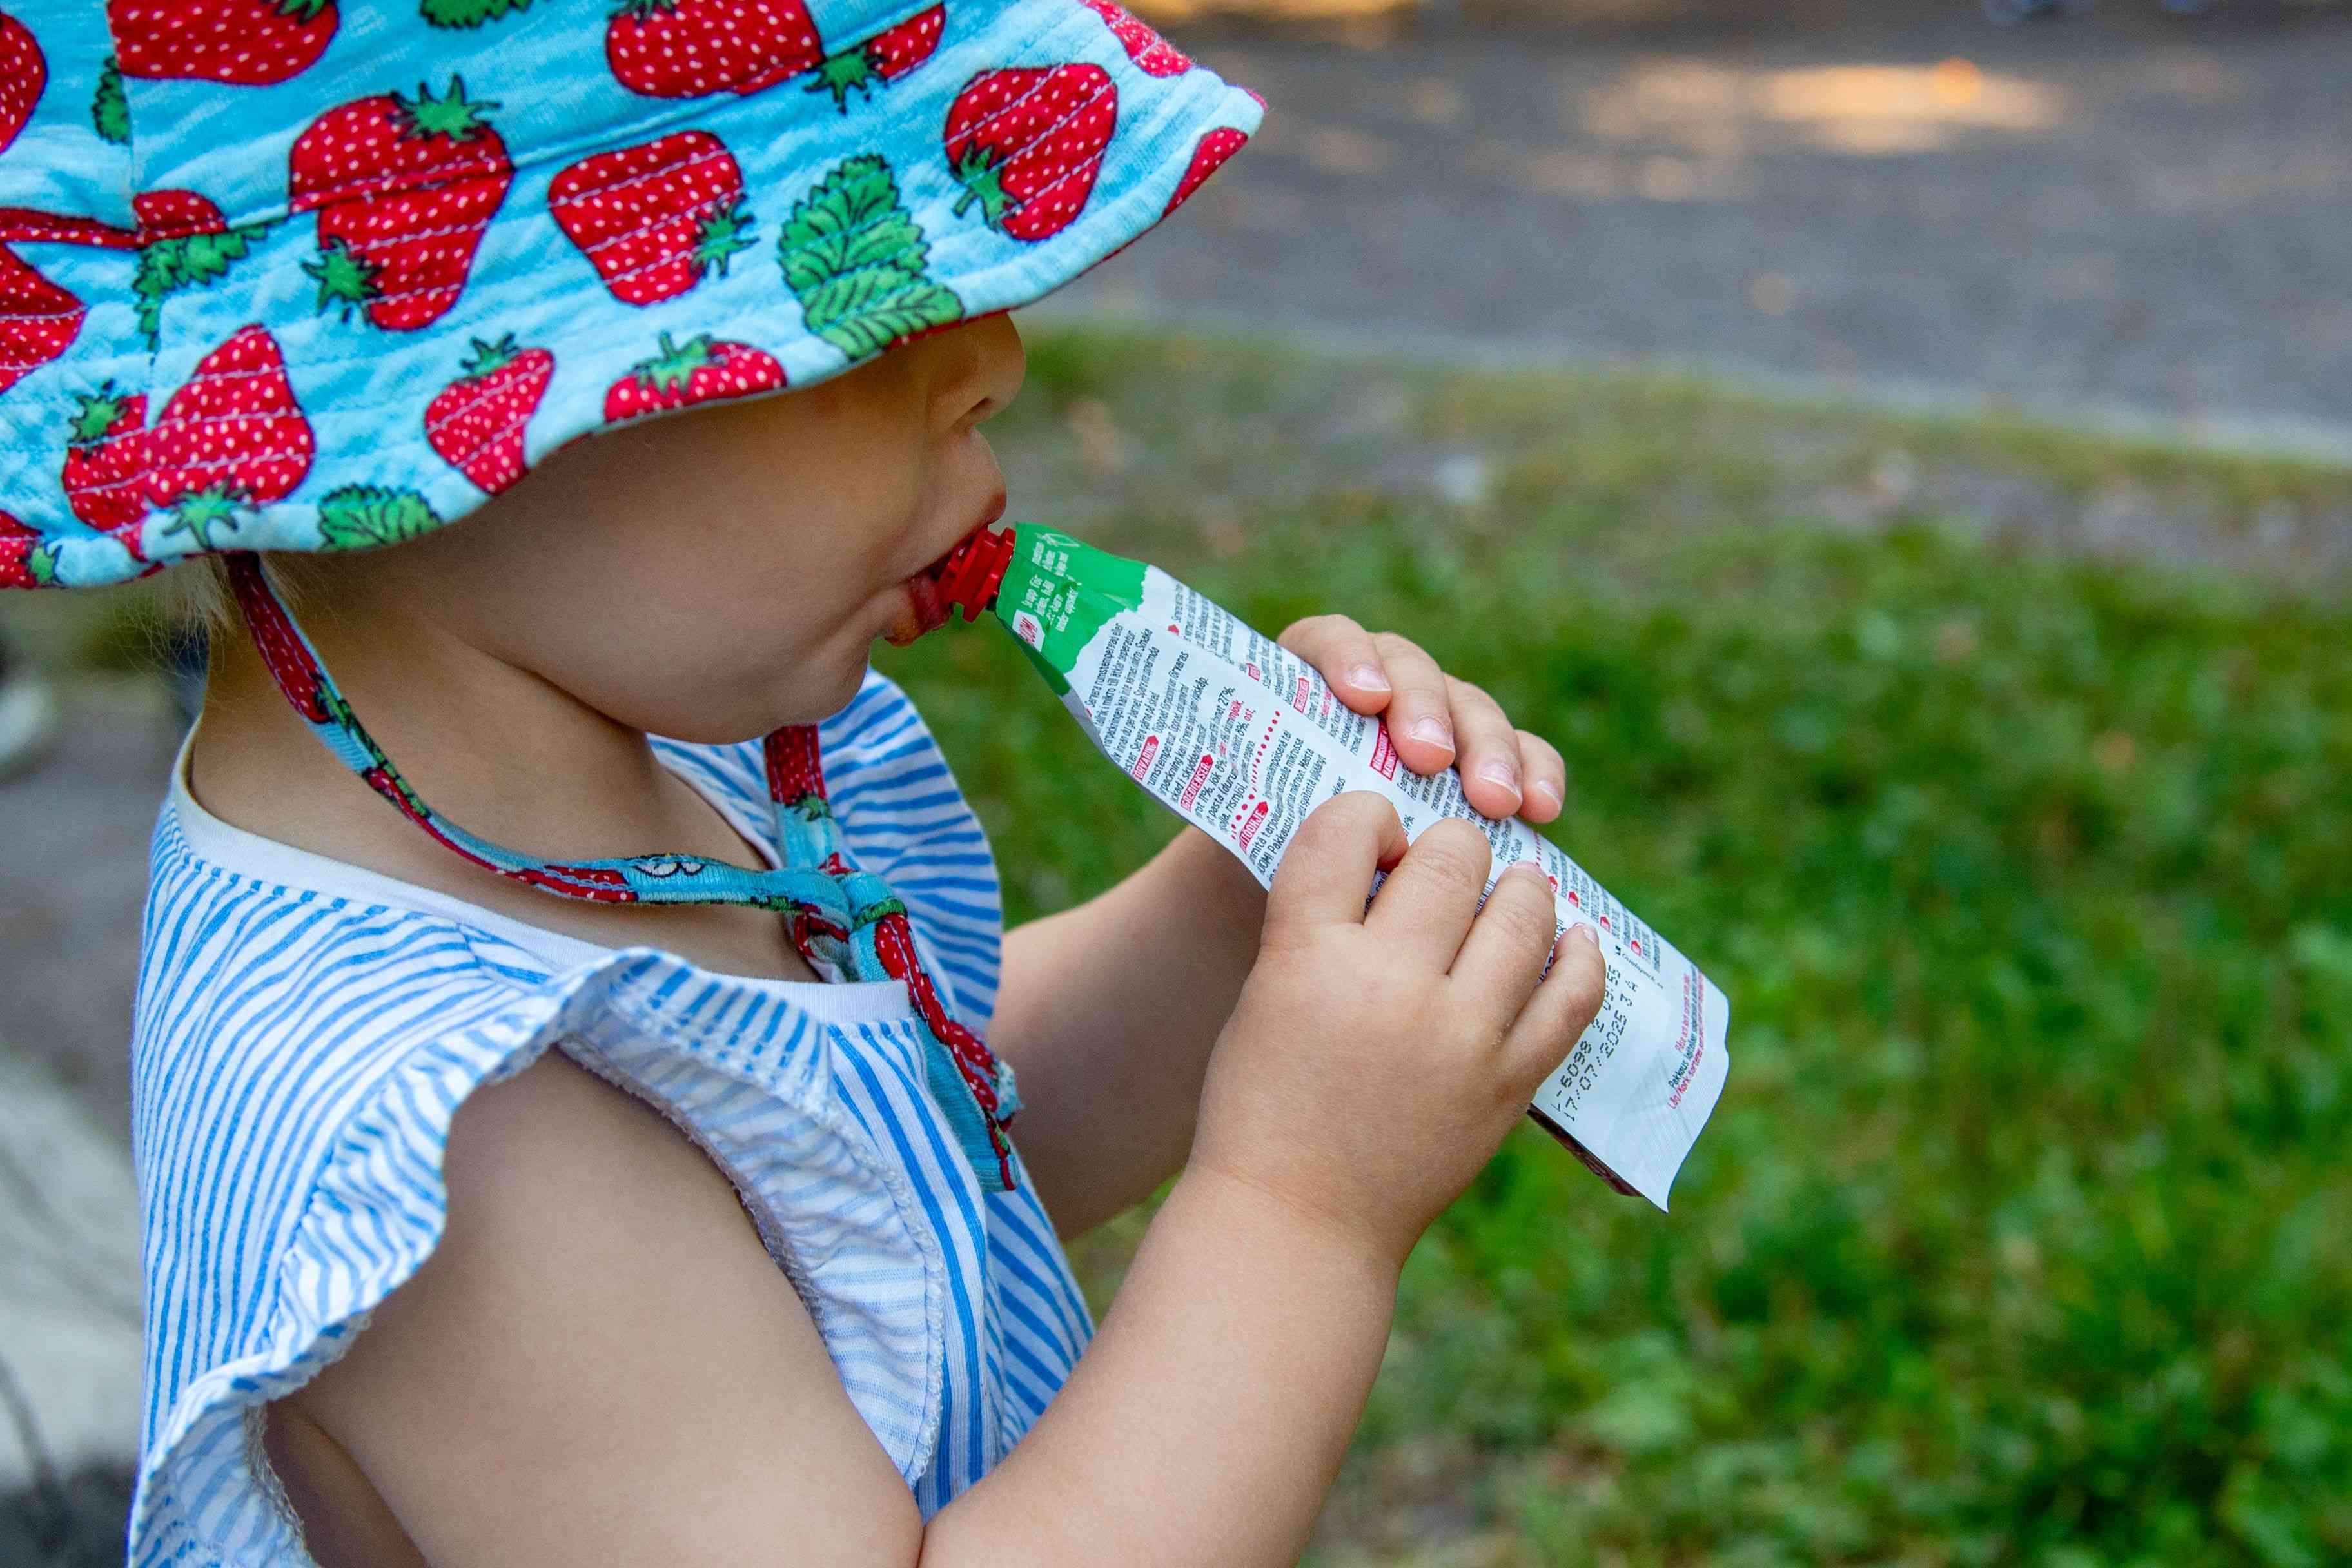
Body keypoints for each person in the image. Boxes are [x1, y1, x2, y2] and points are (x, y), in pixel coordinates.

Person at [1, 2, 1606, 1562]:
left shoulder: (625, 747)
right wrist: (1301, 1207)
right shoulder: (459, 1153)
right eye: (863, 295)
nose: (992, 359)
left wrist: (1256, 908)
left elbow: (898, 1177)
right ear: (452, 423)